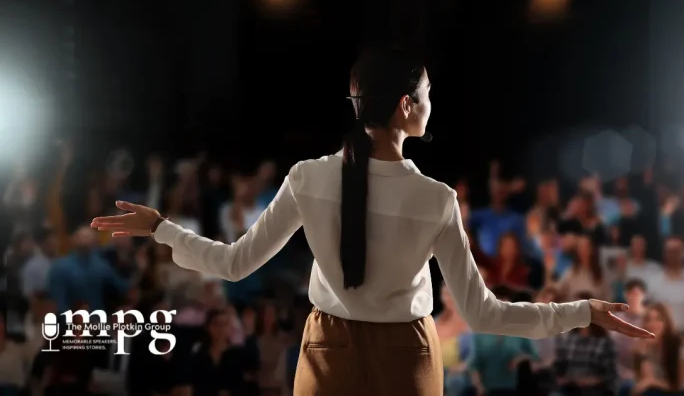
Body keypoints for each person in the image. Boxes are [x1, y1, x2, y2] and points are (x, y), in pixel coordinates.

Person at [91, 47, 652, 396]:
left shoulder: (308, 177)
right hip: (406, 357)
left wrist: (163, 228)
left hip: (326, 353)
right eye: (428, 94)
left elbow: (233, 264)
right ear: (407, 106)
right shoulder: (435, 199)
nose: (432, 104)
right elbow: (485, 313)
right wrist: (583, 311)